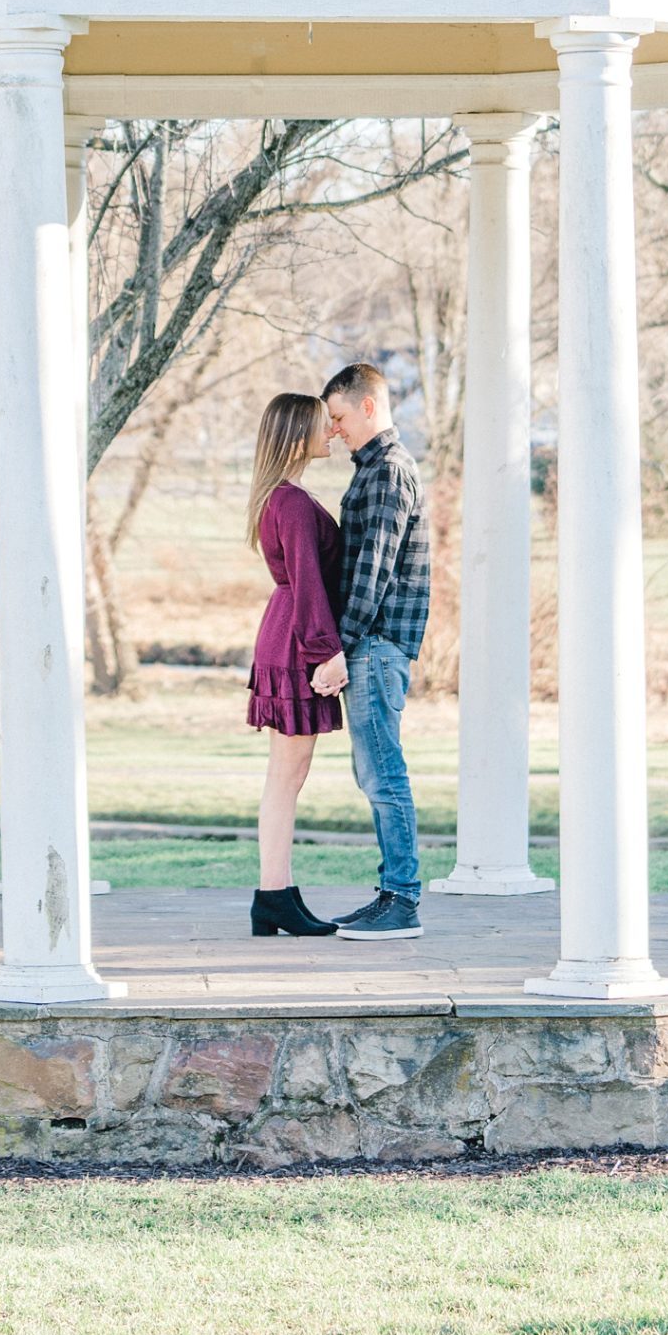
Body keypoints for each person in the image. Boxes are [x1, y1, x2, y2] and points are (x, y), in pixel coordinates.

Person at [319, 360, 430, 940]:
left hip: (377, 643)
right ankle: (390, 892)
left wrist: (342, 644)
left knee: (384, 775)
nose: (333, 430)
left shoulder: (387, 471)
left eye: (338, 417)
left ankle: (403, 900)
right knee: (375, 773)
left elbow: (374, 571)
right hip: (375, 643)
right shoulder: (375, 470)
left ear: (368, 406)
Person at [244, 391, 346, 940]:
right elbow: (309, 585)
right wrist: (326, 653)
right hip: (295, 641)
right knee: (287, 776)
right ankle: (273, 896)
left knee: (289, 776)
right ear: (295, 435)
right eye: (320, 425)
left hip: (284, 633)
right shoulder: (293, 504)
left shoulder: (280, 498)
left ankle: (276, 895)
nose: (330, 431)